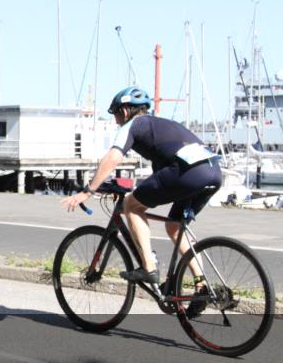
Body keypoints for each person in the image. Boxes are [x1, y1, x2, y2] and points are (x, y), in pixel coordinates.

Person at [61, 86, 222, 290]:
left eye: (116, 114)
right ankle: (202, 285)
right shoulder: (163, 126)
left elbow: (113, 156)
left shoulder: (133, 125)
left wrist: (88, 191)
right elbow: (159, 179)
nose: (116, 120)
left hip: (188, 172)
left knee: (131, 206)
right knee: (174, 226)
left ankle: (149, 267)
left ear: (125, 111)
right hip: (213, 172)